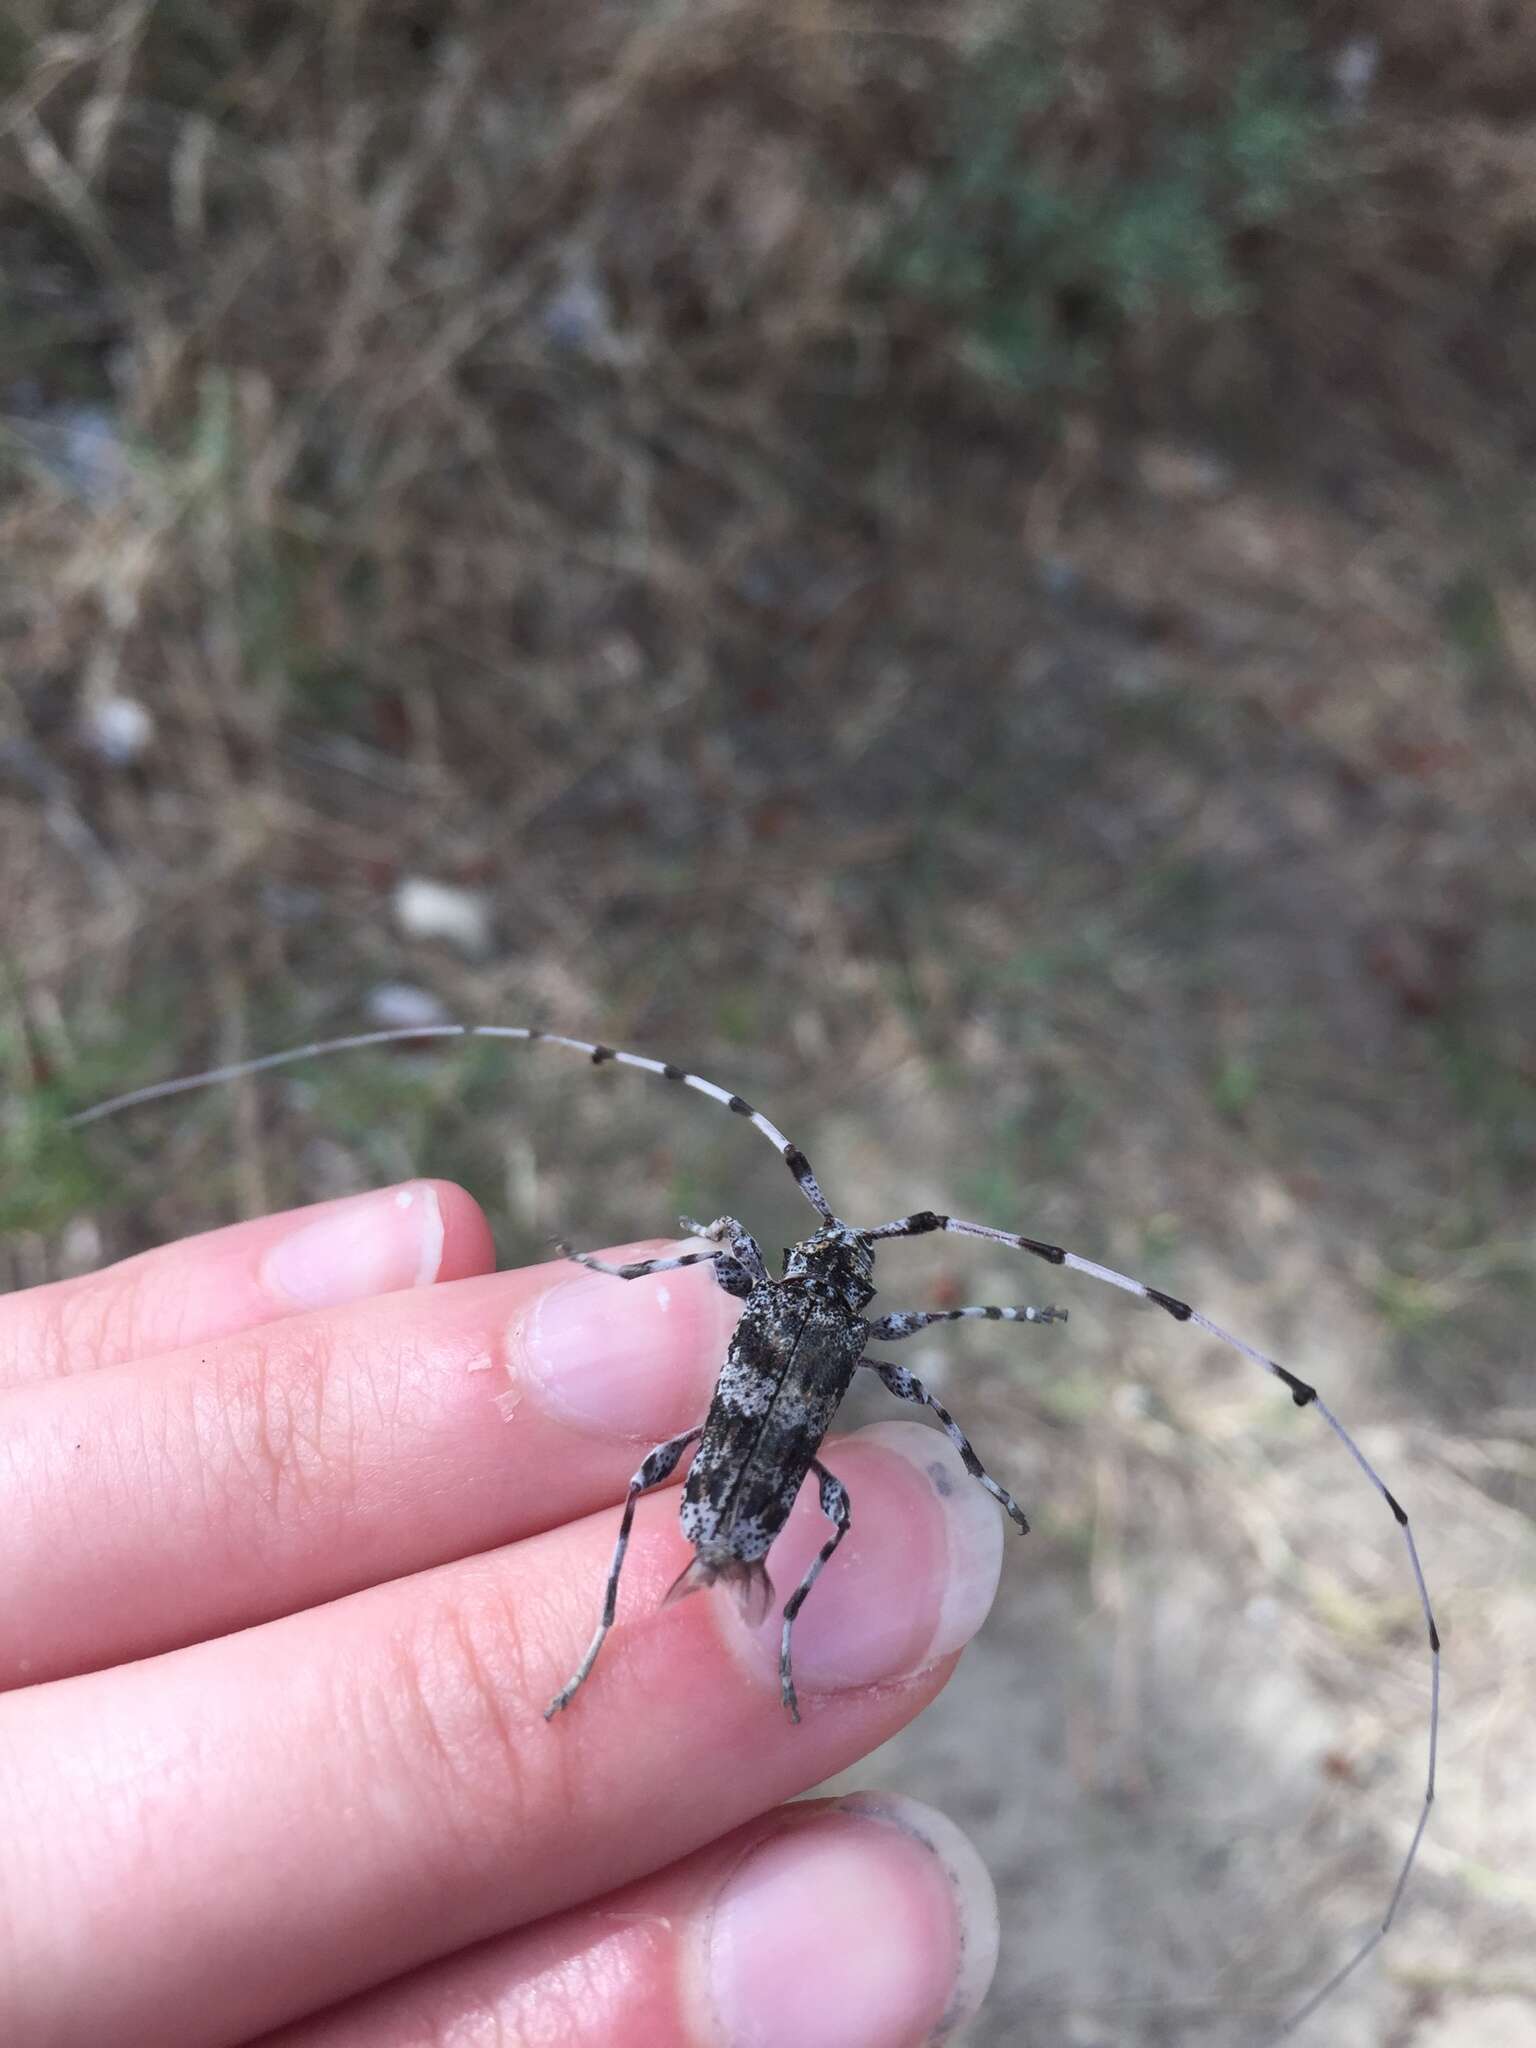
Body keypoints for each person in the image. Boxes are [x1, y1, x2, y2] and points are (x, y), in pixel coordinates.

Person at [0, 1178, 1002, 2047]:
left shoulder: (772, 1294)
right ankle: (744, 1627)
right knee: (824, 1516)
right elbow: (923, 1378)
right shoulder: (842, 1338)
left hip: (716, 1496)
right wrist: (987, 1328)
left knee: (673, 1488)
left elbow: (723, 1248)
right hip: (746, 1497)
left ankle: (733, 1628)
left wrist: (683, 1246)